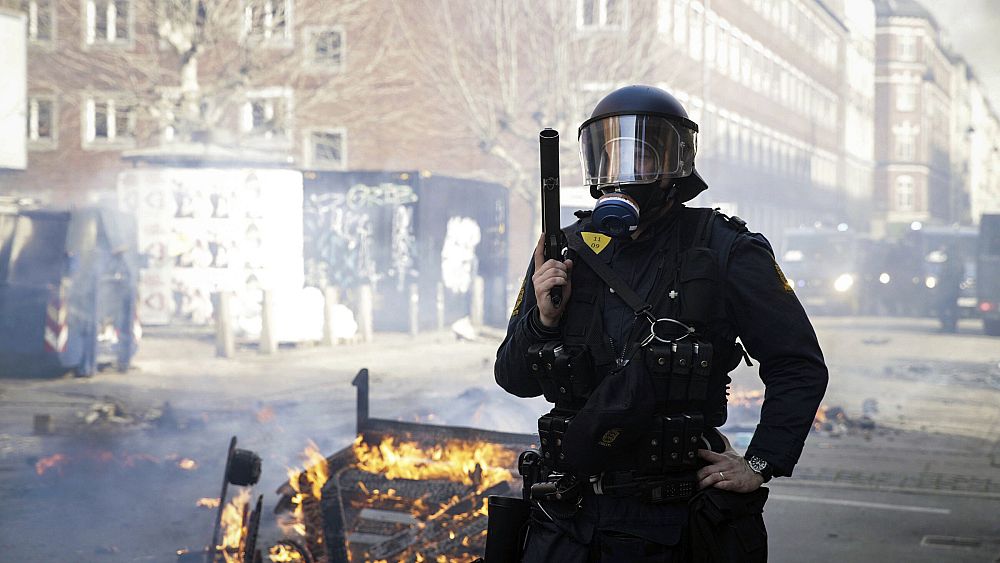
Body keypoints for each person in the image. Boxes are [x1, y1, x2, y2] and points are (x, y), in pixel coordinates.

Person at [495, 84, 829, 562]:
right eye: (610, 156)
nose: (624, 174)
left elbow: (799, 365)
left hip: (667, 523)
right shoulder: (563, 251)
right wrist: (544, 319)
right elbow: (512, 377)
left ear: (677, 165)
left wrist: (760, 462)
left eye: (644, 156)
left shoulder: (725, 248)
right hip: (566, 519)